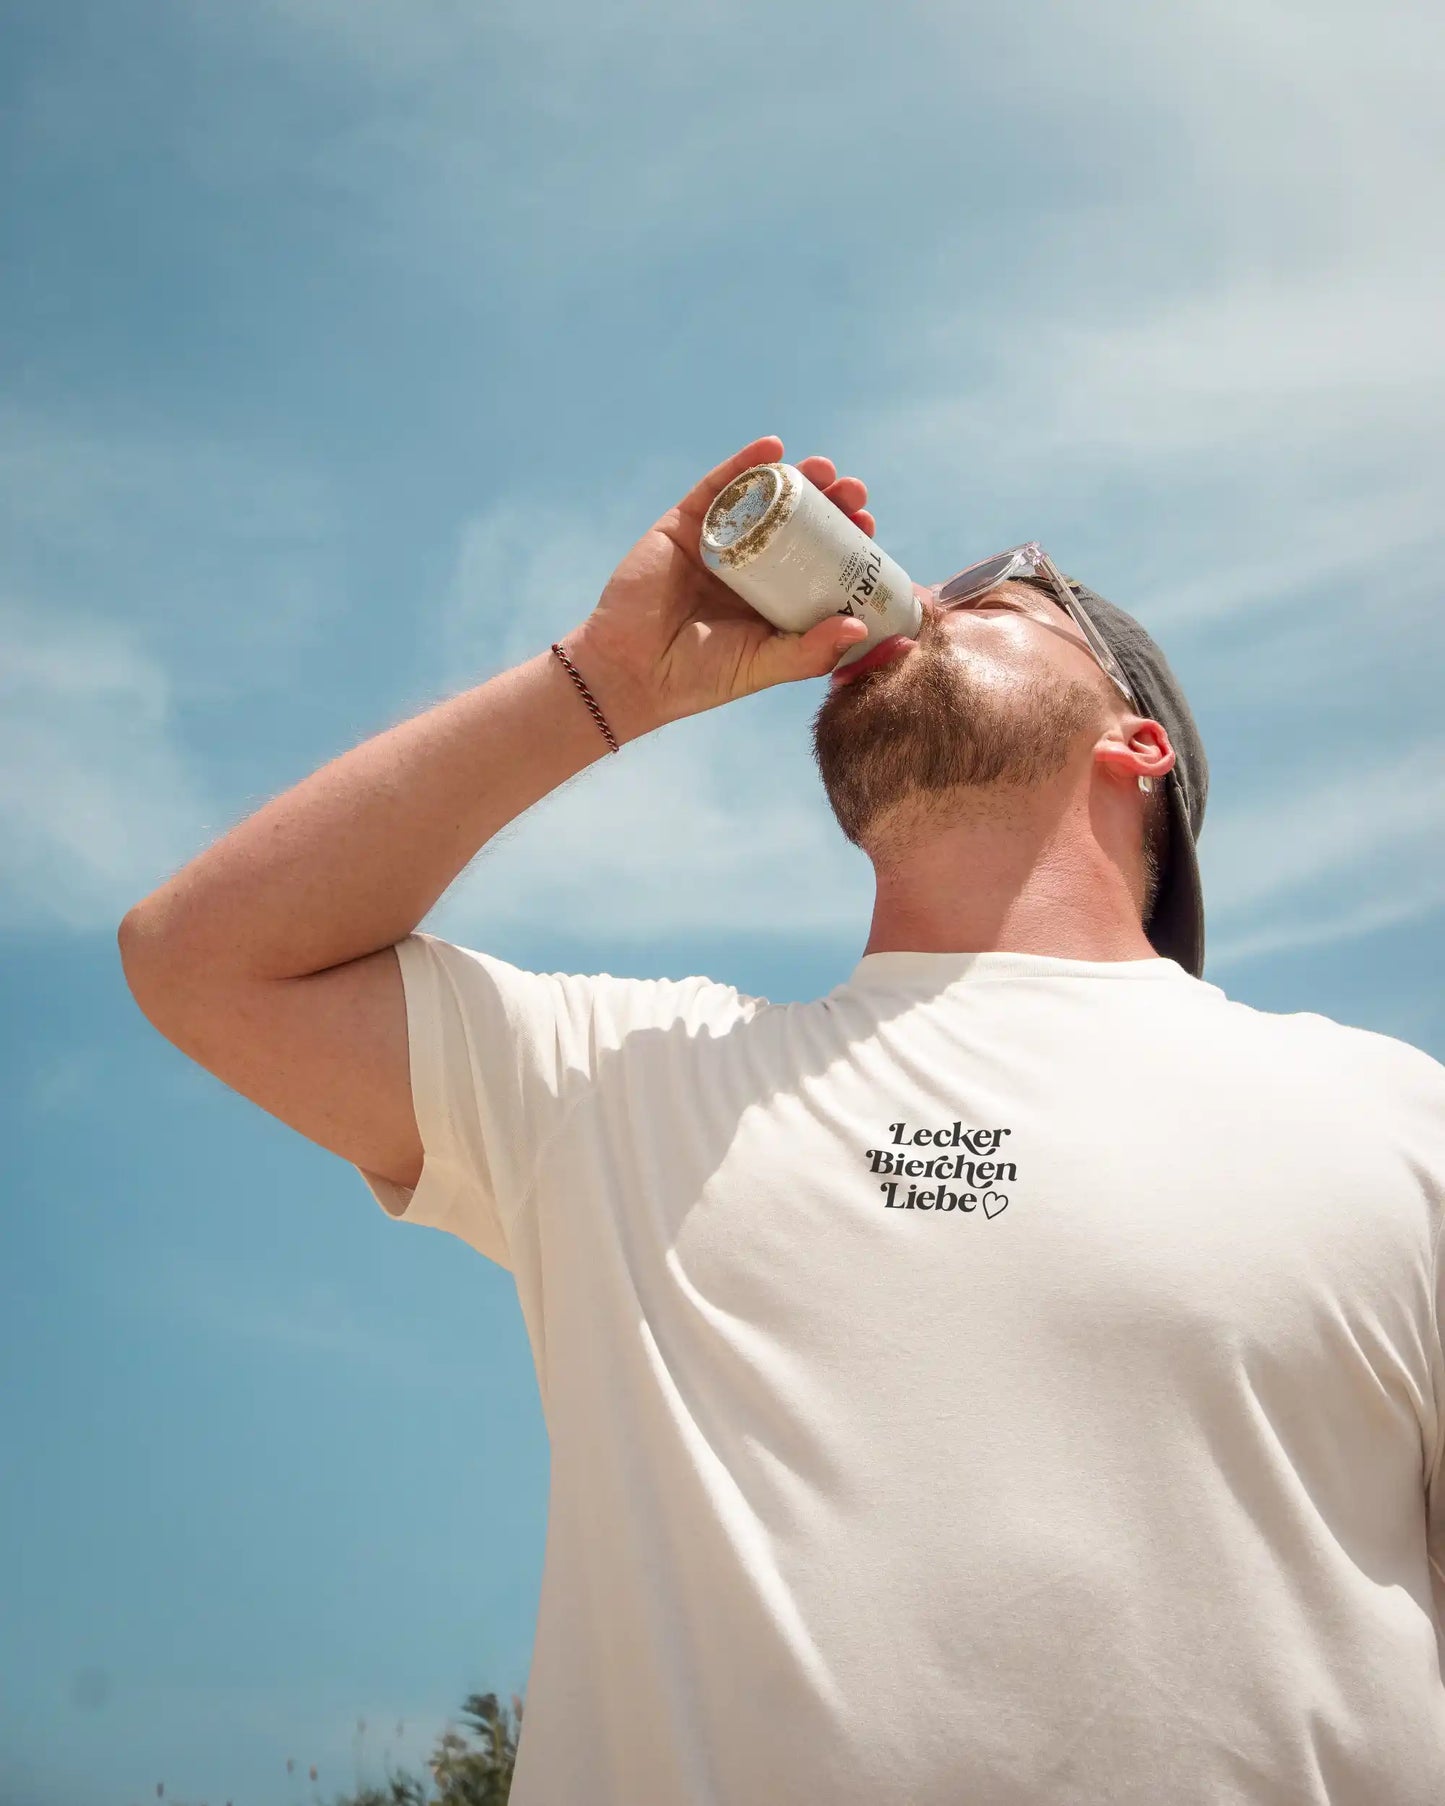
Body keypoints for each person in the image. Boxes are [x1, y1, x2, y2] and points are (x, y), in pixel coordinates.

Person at [118, 435, 1445, 1805]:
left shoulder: (1394, 1124)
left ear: (1137, 741)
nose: (922, 606)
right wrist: (603, 683)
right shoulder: (624, 1080)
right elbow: (201, 960)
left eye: (994, 598)